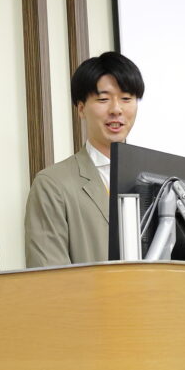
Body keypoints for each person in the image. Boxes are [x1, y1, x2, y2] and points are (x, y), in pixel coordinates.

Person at [25, 51, 144, 267]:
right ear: (81, 108)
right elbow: (49, 277)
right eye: (103, 99)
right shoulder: (52, 184)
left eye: (126, 98)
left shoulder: (161, 182)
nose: (116, 109)